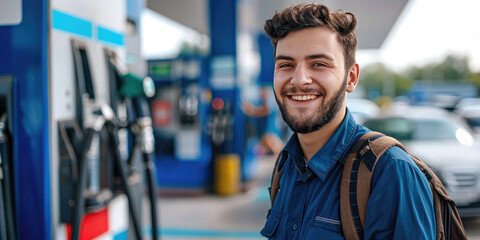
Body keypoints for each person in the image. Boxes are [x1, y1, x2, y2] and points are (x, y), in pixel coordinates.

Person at [260, 3, 435, 239]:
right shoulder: (286, 164)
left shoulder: (390, 172)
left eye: (318, 64)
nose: (299, 79)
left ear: (351, 78)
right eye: (286, 65)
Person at [242, 85, 285, 156]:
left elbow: (265, 110)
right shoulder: (257, 101)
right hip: (264, 133)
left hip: (271, 132)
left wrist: (251, 110)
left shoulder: (270, 102)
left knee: (277, 147)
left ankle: (287, 162)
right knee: (276, 147)